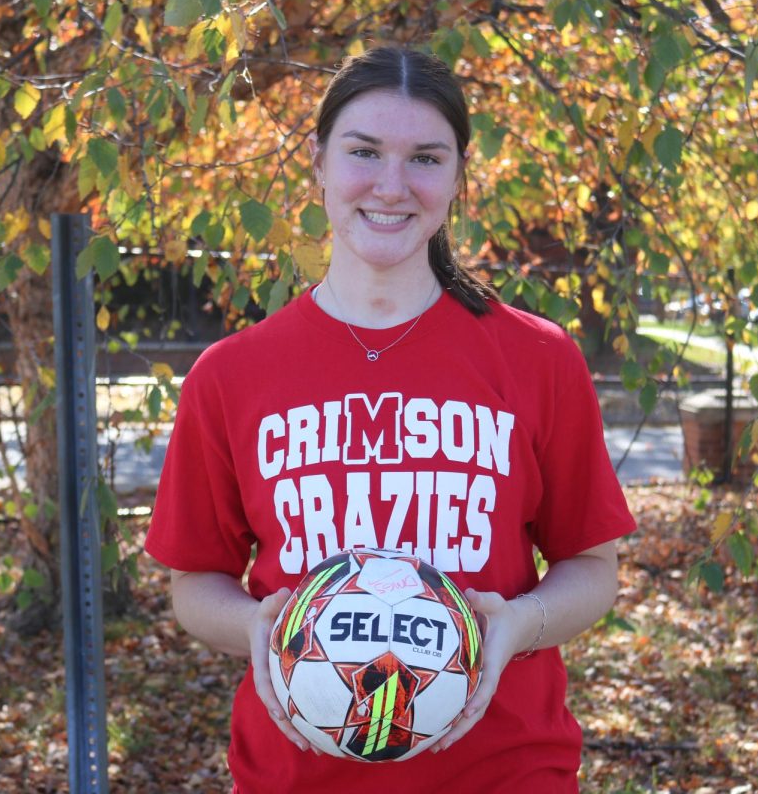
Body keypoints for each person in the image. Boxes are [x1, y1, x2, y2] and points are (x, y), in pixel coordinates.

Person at [145, 45, 637, 793]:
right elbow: (196, 580)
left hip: (506, 772)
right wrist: (253, 628)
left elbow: (592, 570)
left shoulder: (538, 358)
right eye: (364, 151)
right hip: (294, 777)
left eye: (426, 158)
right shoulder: (232, 375)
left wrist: (517, 626)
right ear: (319, 163)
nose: (391, 185)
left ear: (457, 177)